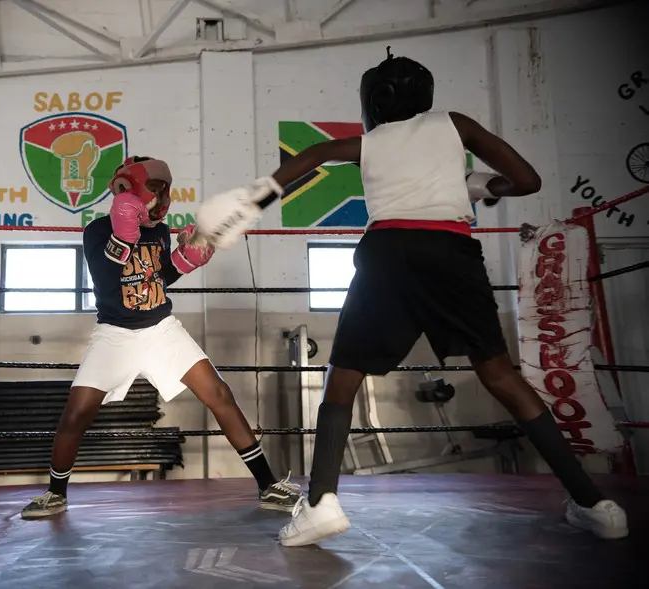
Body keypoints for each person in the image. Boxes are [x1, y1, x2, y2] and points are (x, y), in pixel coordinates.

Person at [193, 49, 628, 545]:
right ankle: (596, 505)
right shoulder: (455, 124)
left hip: (389, 251)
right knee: (501, 375)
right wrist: (486, 186)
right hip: (452, 250)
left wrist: (252, 199)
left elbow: (312, 156)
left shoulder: (371, 141)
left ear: (373, 99)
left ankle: (321, 506)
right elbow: (529, 181)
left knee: (344, 377)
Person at [21, 156, 301, 519]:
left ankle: (268, 485)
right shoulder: (96, 230)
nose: (157, 198)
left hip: (161, 328)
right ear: (128, 190)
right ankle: (55, 494)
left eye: (161, 191)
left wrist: (187, 258)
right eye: (152, 190)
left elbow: (159, 277)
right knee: (76, 414)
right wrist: (123, 232)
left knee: (219, 394)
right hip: (114, 334)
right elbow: (109, 276)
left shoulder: (159, 231)